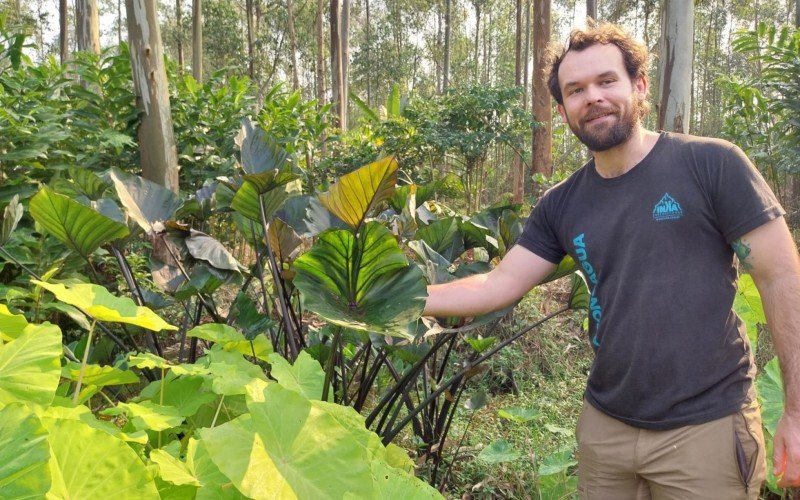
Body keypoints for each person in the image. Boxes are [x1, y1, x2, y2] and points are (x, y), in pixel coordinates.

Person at [423, 22, 800, 499]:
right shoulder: (562, 203)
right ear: (562, 112)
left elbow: (780, 274)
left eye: (606, 81)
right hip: (606, 427)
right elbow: (497, 284)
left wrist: (796, 412)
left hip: (706, 425)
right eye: (575, 90)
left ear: (639, 86)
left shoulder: (711, 165)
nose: (593, 97)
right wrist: (408, 299)